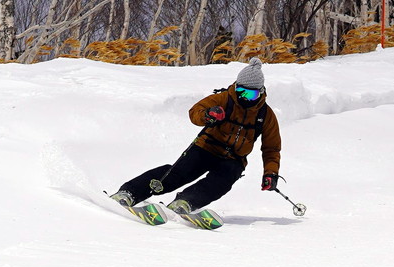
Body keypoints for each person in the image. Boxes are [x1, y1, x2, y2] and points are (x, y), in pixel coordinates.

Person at [111, 58, 282, 215]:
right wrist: (208, 115)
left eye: (250, 94)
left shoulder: (266, 115)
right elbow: (195, 112)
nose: (243, 97)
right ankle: (129, 192)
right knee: (176, 175)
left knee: (221, 182)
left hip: (234, 159)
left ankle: (185, 202)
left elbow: (271, 148)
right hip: (207, 147)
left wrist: (271, 173)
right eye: (240, 91)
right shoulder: (223, 99)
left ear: (260, 92)